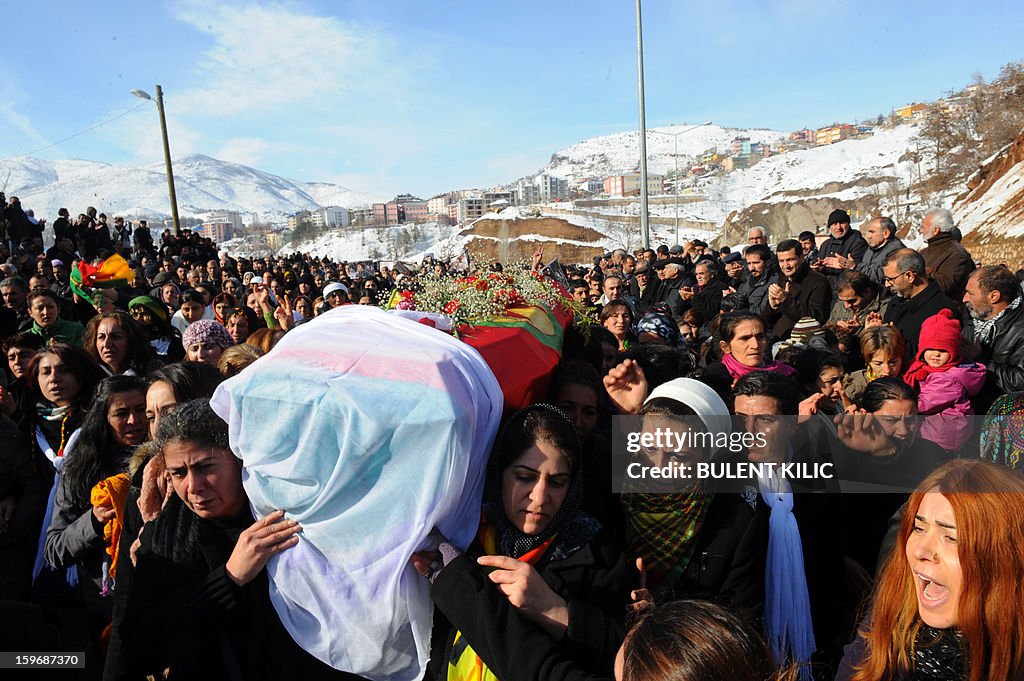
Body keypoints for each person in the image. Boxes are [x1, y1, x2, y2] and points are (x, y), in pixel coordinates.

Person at [117, 399, 358, 680]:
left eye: (206, 467)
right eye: (179, 473)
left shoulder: (291, 520)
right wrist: (229, 580)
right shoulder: (164, 539)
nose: (193, 487)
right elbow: (139, 646)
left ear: (239, 459)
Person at [417, 404, 635, 680]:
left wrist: (557, 610)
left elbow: (626, 657)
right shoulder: (464, 538)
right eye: (525, 477)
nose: (540, 497)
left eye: (557, 482)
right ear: (499, 474)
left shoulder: (600, 555)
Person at [836, 460, 1024, 681]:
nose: (920, 550)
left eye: (951, 537)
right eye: (919, 527)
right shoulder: (891, 611)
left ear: (1002, 559)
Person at [43, 376, 148, 624]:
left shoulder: (169, 462)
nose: (134, 420)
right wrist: (94, 520)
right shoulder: (81, 469)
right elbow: (55, 549)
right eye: (121, 413)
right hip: (105, 605)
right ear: (103, 419)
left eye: (141, 410)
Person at [902, 310, 986, 454]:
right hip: (940, 428)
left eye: (942, 350)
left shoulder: (948, 379)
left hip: (943, 435)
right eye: (930, 349)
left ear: (953, 352)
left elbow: (923, 404)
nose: (935, 354)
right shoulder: (935, 370)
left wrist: (901, 403)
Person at [879, 249, 957, 360]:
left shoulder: (942, 310)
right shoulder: (896, 302)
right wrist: (877, 334)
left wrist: (896, 342)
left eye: (890, 279)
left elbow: (936, 358)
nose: (887, 284)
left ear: (910, 276)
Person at [962, 265, 1024, 404]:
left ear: (994, 296)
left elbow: (1020, 382)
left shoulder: (1020, 328)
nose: (964, 299)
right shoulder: (971, 318)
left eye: (970, 293)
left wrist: (980, 361)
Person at [702, 312, 796, 390]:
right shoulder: (714, 380)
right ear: (726, 347)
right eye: (745, 338)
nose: (755, 345)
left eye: (760, 337)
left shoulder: (785, 375)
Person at [764, 240, 831, 342]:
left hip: (803, 343)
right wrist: (772, 307)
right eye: (781, 261)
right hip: (777, 341)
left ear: (801, 257)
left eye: (790, 260)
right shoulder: (782, 279)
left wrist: (786, 300)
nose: (786, 266)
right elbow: (766, 321)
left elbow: (816, 318)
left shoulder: (818, 281)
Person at [918, 208, 975, 301]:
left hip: (944, 310)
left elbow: (944, 285)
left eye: (923, 227)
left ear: (935, 230)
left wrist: (920, 273)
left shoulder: (957, 254)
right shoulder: (924, 252)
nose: (921, 231)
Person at [83, 311, 159, 377]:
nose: (107, 344)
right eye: (101, 337)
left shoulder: (153, 374)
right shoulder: (87, 376)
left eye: (116, 337)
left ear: (132, 340)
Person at [843, 326, 906, 405]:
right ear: (868, 361)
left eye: (893, 362)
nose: (887, 370)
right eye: (878, 364)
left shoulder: (912, 381)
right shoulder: (856, 388)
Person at [813, 210, 867, 288]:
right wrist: (820, 268)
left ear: (848, 224)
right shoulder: (825, 244)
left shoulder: (858, 243)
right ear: (829, 227)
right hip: (825, 290)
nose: (838, 227)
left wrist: (850, 266)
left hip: (847, 291)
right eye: (834, 224)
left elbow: (862, 273)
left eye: (842, 223)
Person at [128, 295, 185, 362]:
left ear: (156, 316)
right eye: (135, 315)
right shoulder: (131, 342)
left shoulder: (175, 341)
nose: (138, 319)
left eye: (144, 314)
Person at [857, 217, 904, 287]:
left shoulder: (897, 252)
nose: (868, 236)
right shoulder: (873, 247)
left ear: (886, 233)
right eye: (868, 232)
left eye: (872, 232)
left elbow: (878, 276)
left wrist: (854, 266)